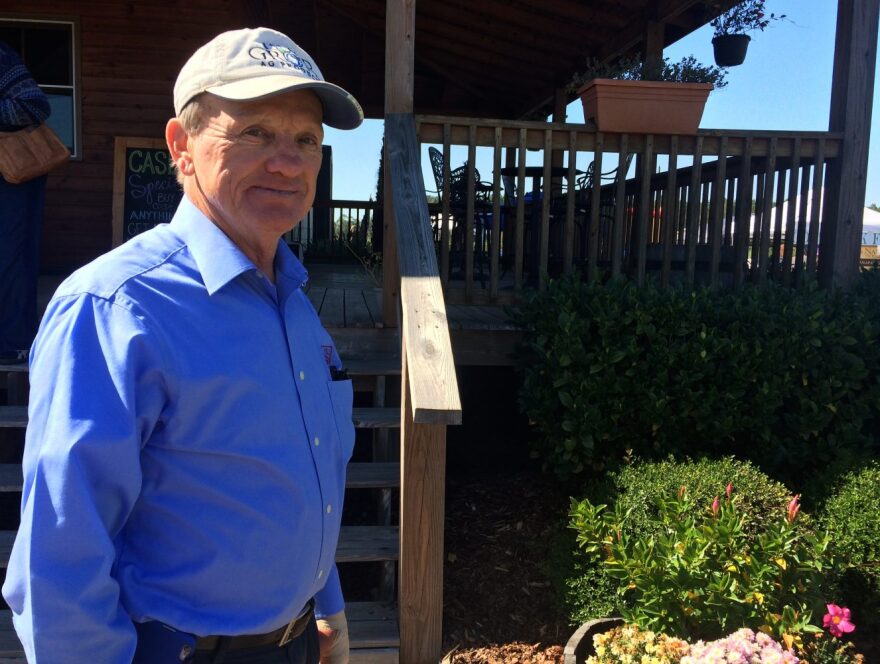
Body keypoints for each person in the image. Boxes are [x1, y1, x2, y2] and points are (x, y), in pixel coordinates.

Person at [2, 27, 364, 664]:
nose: (287, 161)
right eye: (254, 132)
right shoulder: (114, 308)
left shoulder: (297, 306)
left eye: (305, 139)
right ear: (182, 146)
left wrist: (324, 609)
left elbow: (301, 473)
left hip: (299, 642)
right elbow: (58, 565)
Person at [0, 40, 51, 364]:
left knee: (10, 259)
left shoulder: (1, 57)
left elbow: (34, 104)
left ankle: (14, 344)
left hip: (10, 181)